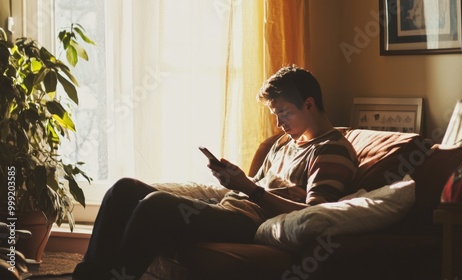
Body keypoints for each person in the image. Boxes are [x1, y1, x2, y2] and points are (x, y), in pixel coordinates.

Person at [72, 65, 359, 280]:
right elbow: (257, 185)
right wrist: (233, 180)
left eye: (283, 112)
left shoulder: (331, 151)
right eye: (275, 114)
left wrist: (250, 189)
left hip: (250, 224)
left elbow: (315, 218)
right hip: (230, 208)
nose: (279, 122)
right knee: (124, 189)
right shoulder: (285, 143)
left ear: (309, 104)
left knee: (156, 205)